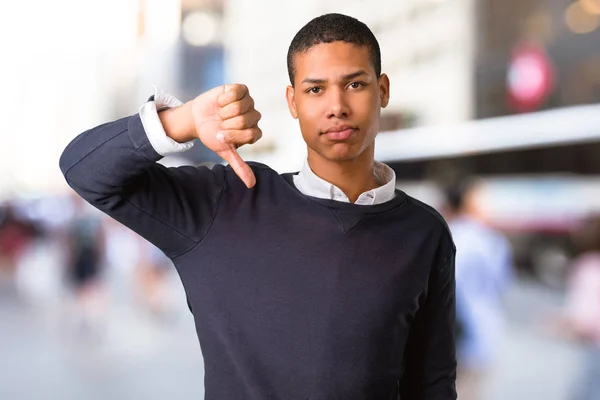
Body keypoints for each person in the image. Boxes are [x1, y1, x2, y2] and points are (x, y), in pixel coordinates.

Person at [60, 13, 456, 399]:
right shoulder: (224, 203)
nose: (336, 105)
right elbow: (84, 169)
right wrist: (184, 120)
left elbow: (432, 384)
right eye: (315, 89)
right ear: (293, 101)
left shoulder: (424, 232)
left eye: (354, 84)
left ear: (383, 90)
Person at [443, 179, 513, 400]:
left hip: (447, 339)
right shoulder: (492, 241)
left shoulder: (441, 234)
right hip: (478, 335)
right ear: (470, 203)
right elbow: (501, 285)